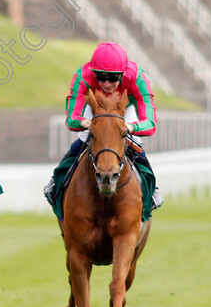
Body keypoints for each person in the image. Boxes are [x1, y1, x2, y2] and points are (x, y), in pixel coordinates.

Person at [43, 42, 162, 210]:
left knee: (133, 142)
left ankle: (151, 189)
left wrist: (131, 128)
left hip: (124, 110)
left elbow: (150, 123)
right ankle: (56, 182)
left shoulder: (137, 78)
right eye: (101, 76)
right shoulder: (83, 76)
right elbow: (71, 117)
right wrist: (83, 122)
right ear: (93, 72)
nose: (106, 84)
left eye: (113, 78)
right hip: (96, 108)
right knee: (85, 137)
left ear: (123, 74)